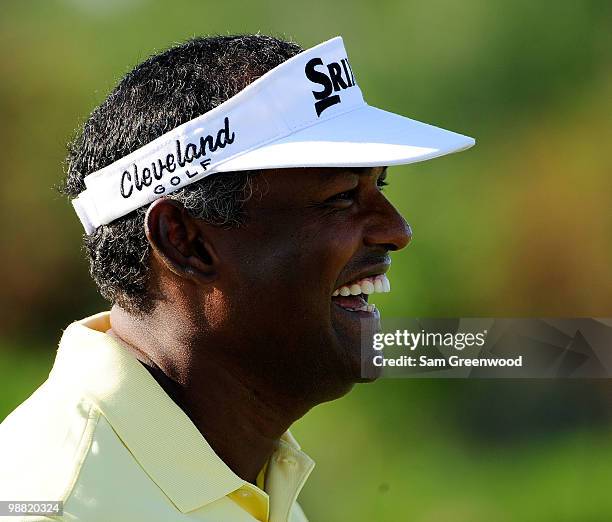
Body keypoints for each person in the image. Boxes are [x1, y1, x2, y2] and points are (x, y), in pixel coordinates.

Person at [0, 34, 474, 521]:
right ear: (184, 241)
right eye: (342, 196)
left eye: (380, 185)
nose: (397, 230)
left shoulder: (255, 479)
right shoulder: (54, 505)